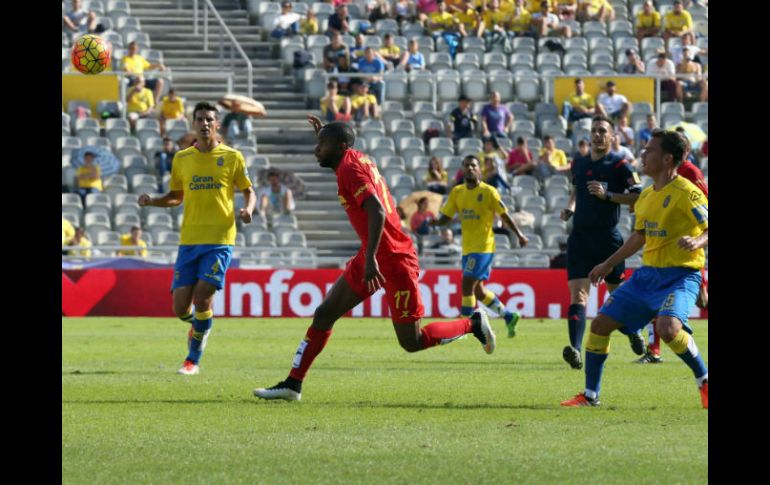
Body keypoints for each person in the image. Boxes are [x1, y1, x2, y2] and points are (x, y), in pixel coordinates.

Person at [253, 117, 499, 401]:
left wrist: (371, 258)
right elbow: (343, 148)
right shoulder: (351, 159)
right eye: (318, 143)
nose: (316, 149)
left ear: (340, 146)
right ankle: (293, 384)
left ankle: (473, 324)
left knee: (412, 341)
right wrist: (327, 134)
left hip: (393, 259)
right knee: (324, 314)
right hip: (374, 253)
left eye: (322, 144)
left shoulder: (350, 168)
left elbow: (377, 210)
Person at [561, 129, 708, 409]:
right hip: (648, 275)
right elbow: (639, 236)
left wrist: (697, 240)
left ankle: (704, 379)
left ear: (667, 159)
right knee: (600, 325)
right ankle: (590, 396)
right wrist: (607, 263)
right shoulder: (647, 196)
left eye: (649, 150)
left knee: (668, 328)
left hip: (681, 274)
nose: (643, 154)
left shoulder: (688, 193)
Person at [138, 101, 256, 375]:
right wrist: (153, 201)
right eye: (200, 119)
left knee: (203, 297)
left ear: (217, 124)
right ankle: (201, 325)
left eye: (209, 119)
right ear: (193, 124)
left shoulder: (233, 157)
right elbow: (176, 197)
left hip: (220, 239)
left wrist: (248, 209)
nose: (204, 123)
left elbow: (249, 191)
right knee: (180, 308)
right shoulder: (182, 159)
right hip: (189, 240)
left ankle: (192, 360)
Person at [559, 115, 645, 370]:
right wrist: (571, 207)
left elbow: (638, 197)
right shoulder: (579, 162)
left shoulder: (621, 166)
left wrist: (607, 195)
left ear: (612, 136)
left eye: (602, 131)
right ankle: (576, 350)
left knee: (617, 296)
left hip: (608, 239)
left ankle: (633, 332)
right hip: (580, 238)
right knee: (578, 294)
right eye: (594, 130)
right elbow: (577, 188)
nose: (597, 135)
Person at [431, 155, 529, 338]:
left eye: (473, 165)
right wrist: (435, 222)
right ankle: (509, 316)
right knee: (479, 291)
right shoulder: (457, 192)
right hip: (468, 248)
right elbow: (446, 217)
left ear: (479, 169)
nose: (470, 168)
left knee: (466, 284)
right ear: (462, 169)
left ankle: (463, 328)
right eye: (466, 165)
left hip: (484, 247)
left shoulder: (489, 191)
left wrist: (519, 235)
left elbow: (504, 215)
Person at [637, 128, 708, 364]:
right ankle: (654, 349)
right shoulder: (656, 179)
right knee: (654, 301)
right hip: (662, 247)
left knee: (700, 301)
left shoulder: (689, 172)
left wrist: (696, 237)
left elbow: (703, 201)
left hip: (687, 249)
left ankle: (678, 325)